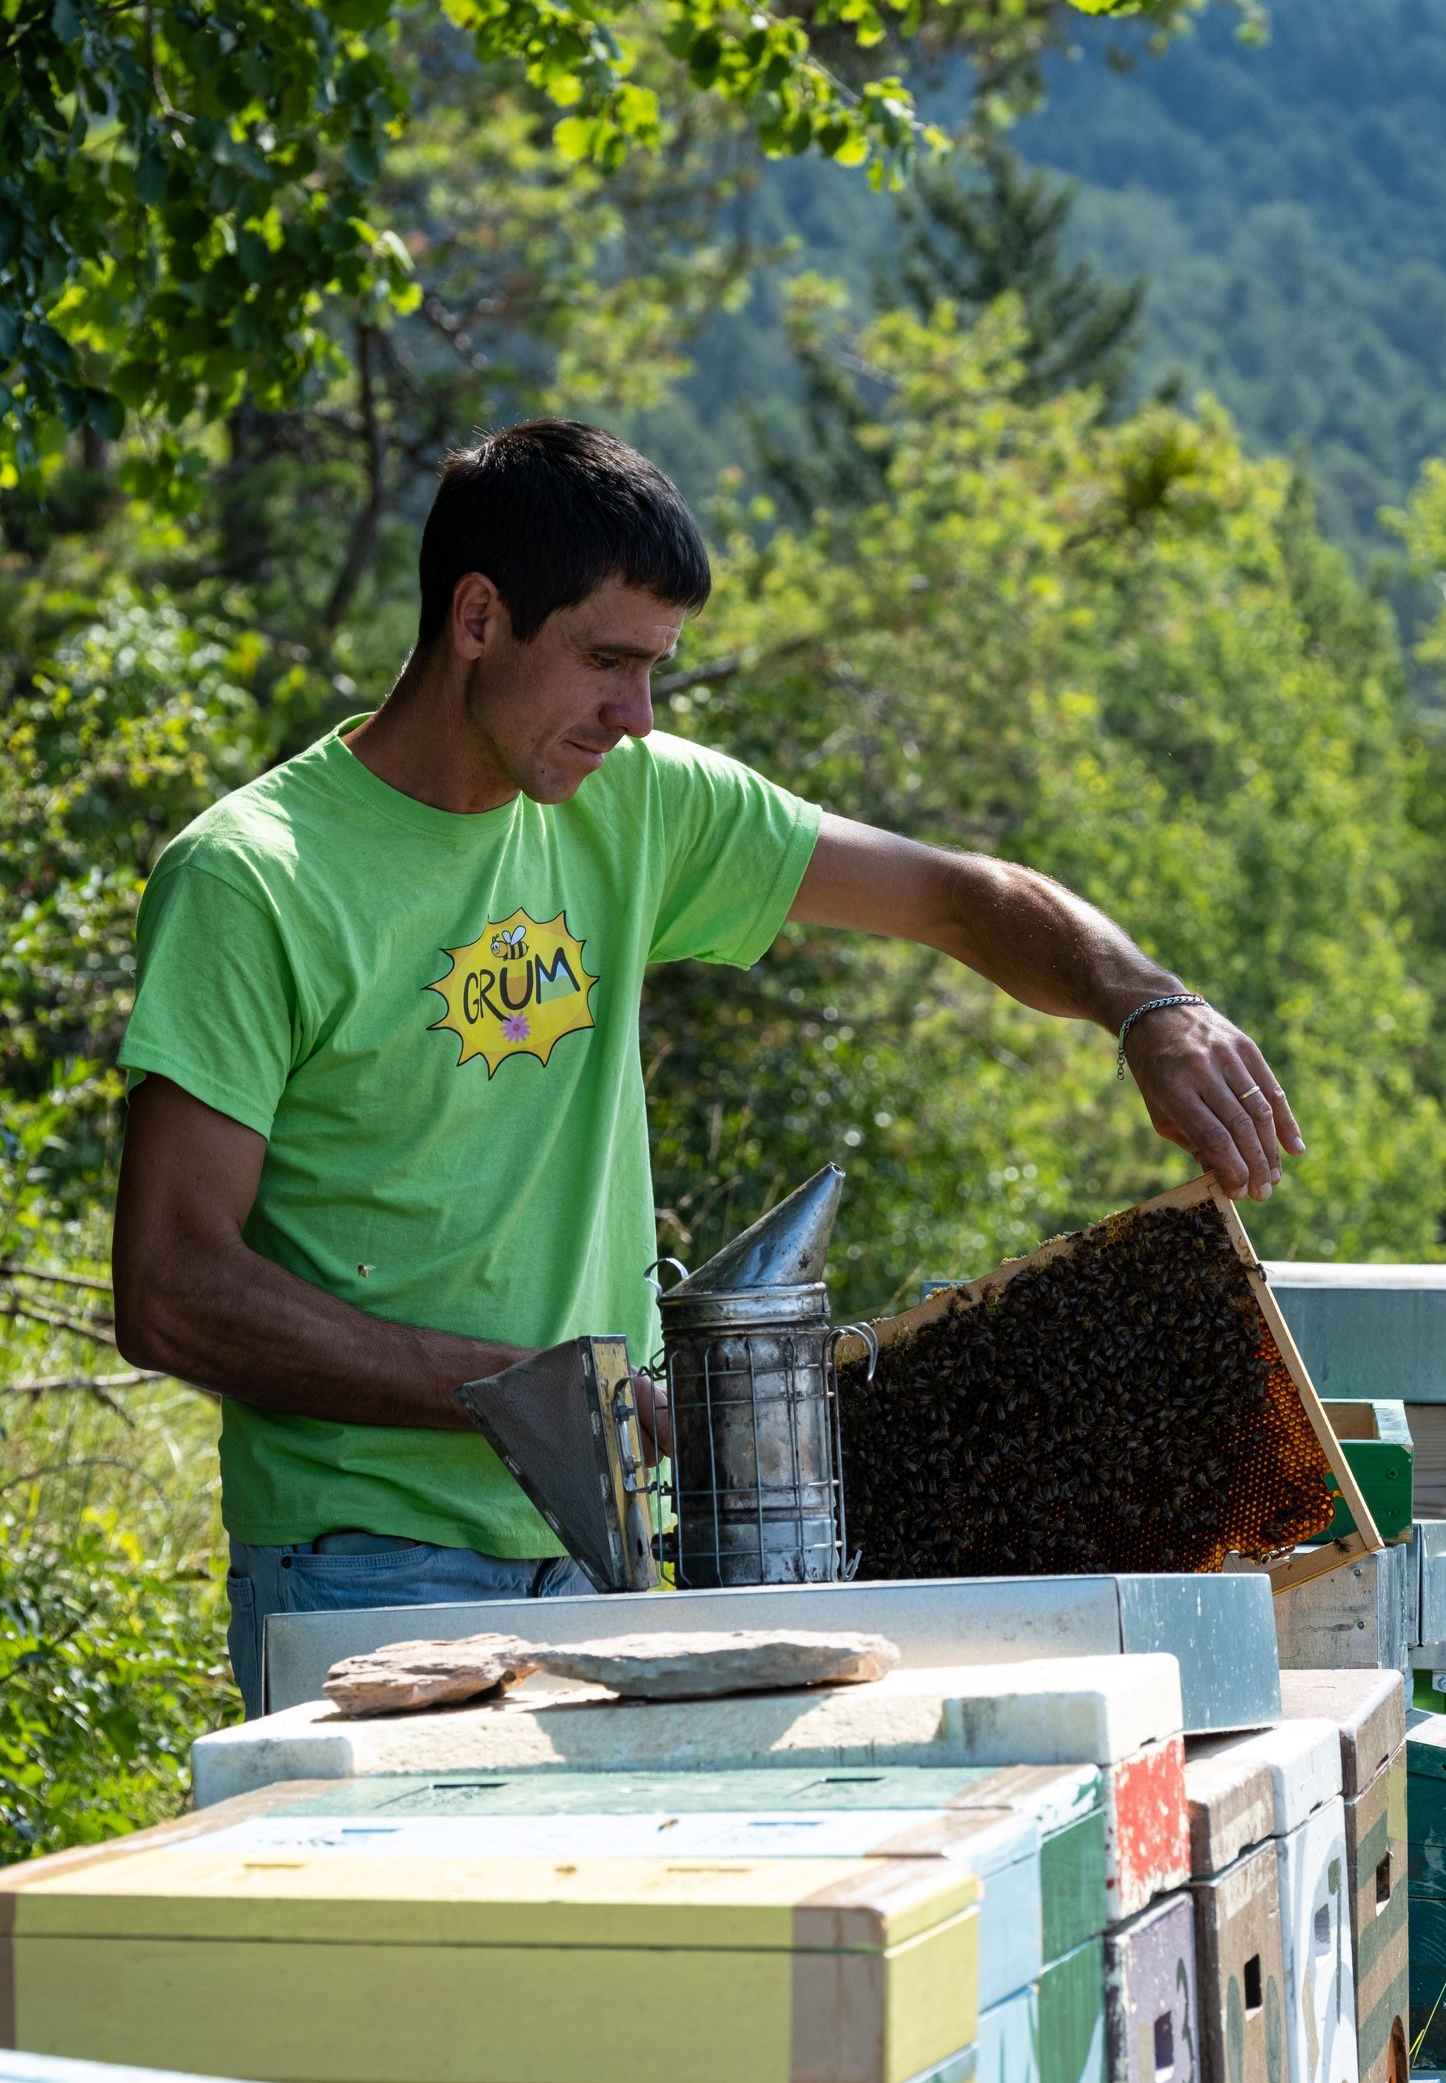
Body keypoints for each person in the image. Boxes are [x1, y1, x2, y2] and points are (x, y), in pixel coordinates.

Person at [113, 420, 1303, 1712]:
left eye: (654, 672)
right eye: (608, 663)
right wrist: (551, 1404)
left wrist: (1147, 1002)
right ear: (476, 617)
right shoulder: (255, 878)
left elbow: (965, 899)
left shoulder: (638, 804)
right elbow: (174, 1288)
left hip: (602, 1562)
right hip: (361, 1571)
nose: (634, 716)